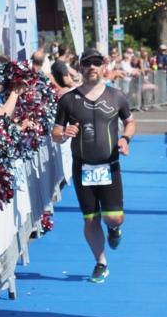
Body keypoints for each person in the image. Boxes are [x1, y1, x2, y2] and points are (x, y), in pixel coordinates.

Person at [52, 48, 136, 283]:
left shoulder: (116, 96)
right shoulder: (68, 99)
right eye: (87, 63)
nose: (92, 67)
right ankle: (100, 262)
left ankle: (114, 230)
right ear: (80, 67)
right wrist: (64, 134)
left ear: (103, 67)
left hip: (110, 166)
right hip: (82, 167)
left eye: (96, 63)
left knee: (114, 217)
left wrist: (125, 139)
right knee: (90, 218)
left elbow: (129, 122)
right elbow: (55, 133)